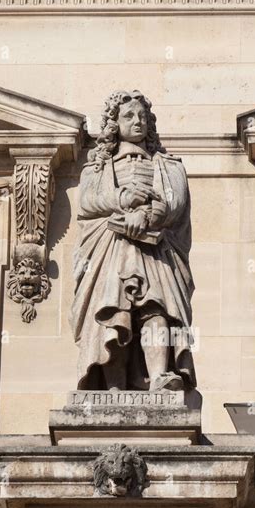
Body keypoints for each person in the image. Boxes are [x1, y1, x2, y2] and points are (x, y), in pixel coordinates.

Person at [70, 90, 196, 392]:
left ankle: (159, 376)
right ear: (114, 123)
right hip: (111, 250)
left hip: (156, 251)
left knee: (156, 307)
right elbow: (87, 202)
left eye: (142, 116)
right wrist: (123, 200)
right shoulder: (98, 168)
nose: (137, 121)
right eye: (128, 115)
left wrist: (150, 216)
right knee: (115, 311)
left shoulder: (168, 165)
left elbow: (175, 201)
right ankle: (112, 386)